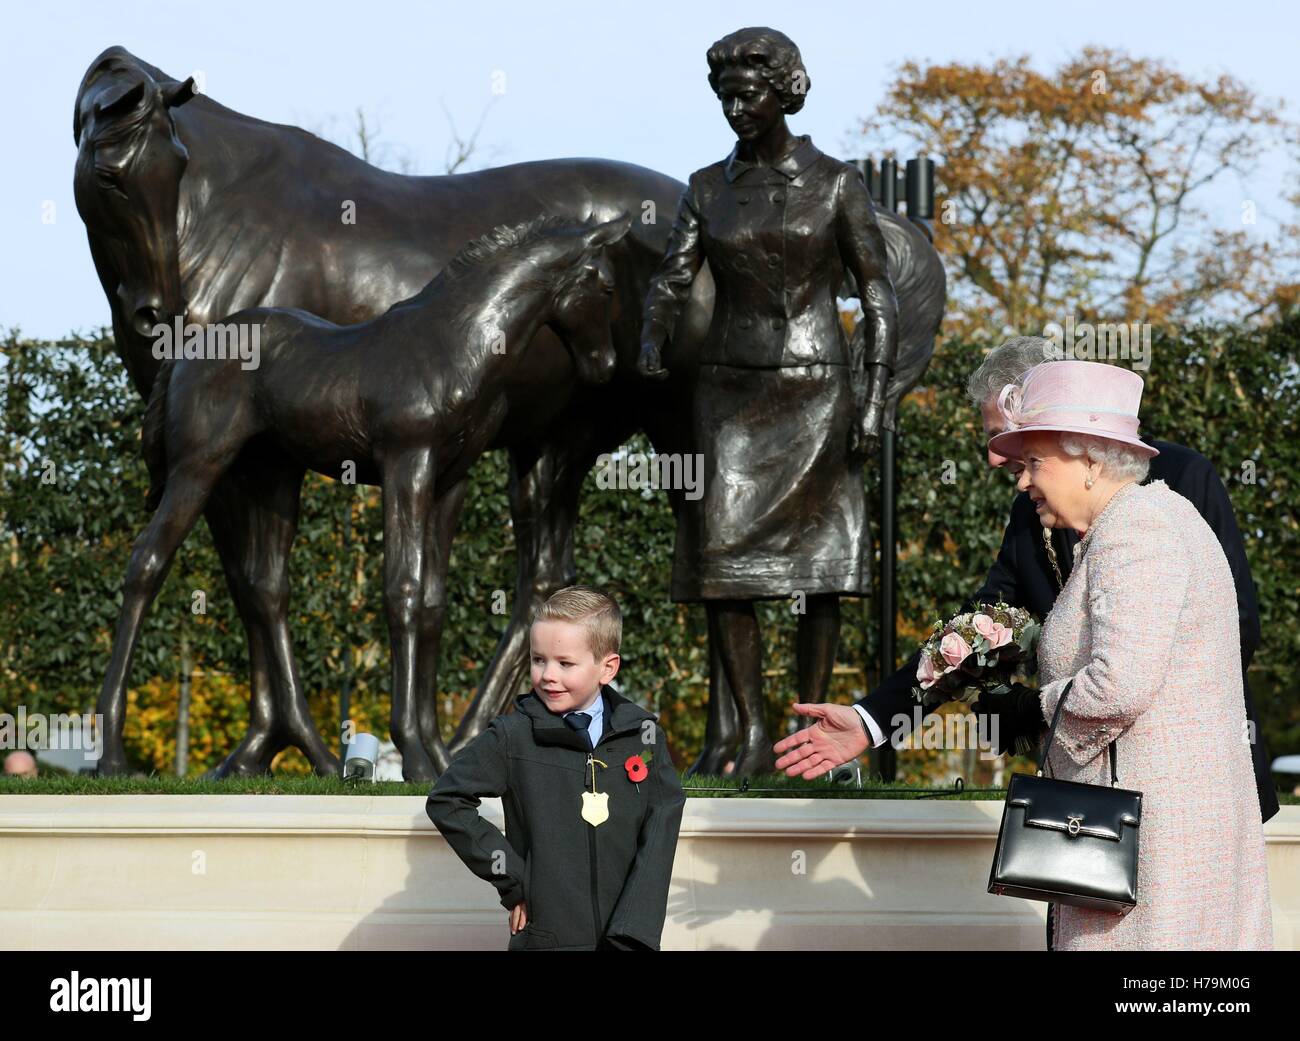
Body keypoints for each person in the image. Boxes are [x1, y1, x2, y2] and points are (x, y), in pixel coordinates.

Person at [773, 336, 1276, 827]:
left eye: (1006, 432)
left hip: (1187, 786)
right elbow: (979, 630)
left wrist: (1051, 714)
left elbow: (1236, 629)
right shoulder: (1029, 509)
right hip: (1090, 792)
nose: (995, 457)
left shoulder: (1176, 483)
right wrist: (873, 719)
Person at [637, 26, 899, 775]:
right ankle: (750, 729)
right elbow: (672, 276)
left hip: (819, 390)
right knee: (723, 561)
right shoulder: (706, 187)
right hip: (728, 390)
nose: (735, 110)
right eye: (724, 97)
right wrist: (652, 339)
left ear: (785, 92)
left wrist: (874, 393)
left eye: (748, 95)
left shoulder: (838, 183)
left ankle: (807, 731)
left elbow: (875, 288)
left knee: (822, 568)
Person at [984, 360, 1272, 949]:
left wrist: (1034, 710)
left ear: (1090, 461)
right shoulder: (1149, 520)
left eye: (1036, 462)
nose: (1023, 481)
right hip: (1159, 829)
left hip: (1154, 843)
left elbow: (1119, 683)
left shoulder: (1138, 530)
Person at [426, 586, 685, 950]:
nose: (548, 674)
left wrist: (634, 928)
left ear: (607, 668)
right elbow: (447, 800)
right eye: (538, 659)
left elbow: (661, 828)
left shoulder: (643, 737)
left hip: (626, 941)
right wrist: (515, 879)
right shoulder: (510, 735)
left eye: (565, 663)